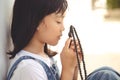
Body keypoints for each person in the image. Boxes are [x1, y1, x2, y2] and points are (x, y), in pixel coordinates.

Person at [6, 0, 81, 80]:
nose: (63, 28)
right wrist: (67, 69)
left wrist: (73, 65)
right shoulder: (29, 69)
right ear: (37, 22)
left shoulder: (44, 57)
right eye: (58, 21)